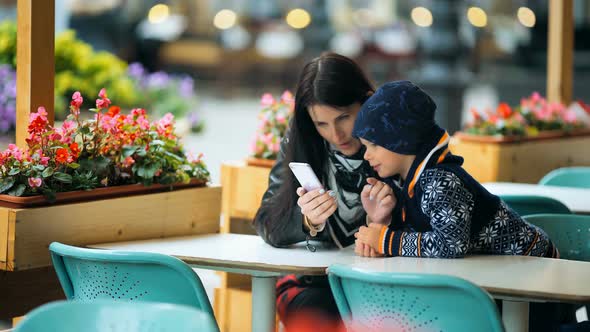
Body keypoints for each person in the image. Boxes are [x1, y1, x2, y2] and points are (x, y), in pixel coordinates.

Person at [253, 53, 393, 330]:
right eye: (322, 124)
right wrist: (308, 221)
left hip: (384, 280)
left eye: (344, 118)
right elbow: (267, 222)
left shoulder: (392, 140)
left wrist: (383, 222)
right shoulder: (302, 139)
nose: (336, 135)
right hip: (313, 282)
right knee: (320, 315)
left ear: (366, 102)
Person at [353, 80, 557, 259]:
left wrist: (387, 242)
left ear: (400, 139)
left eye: (373, 145)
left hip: (532, 265)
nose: (366, 155)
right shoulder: (402, 180)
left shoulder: (439, 181)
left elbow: (451, 245)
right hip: (496, 272)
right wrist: (382, 223)